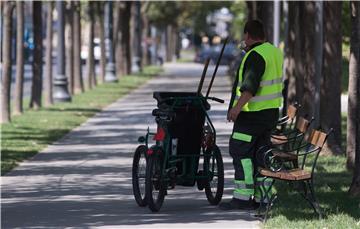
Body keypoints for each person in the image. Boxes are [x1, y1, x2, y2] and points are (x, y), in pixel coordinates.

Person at [219, 20, 284, 210]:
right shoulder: (274, 52)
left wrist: (236, 109)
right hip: (269, 115)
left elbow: (249, 88)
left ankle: (242, 198)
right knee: (261, 154)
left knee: (241, 152)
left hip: (251, 116)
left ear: (247, 35)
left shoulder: (255, 56)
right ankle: (262, 199)